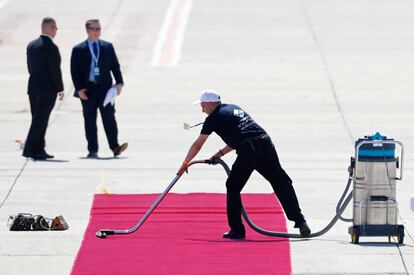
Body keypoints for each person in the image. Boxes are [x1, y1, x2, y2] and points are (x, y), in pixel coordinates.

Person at [177, 90, 311, 239]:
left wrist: (185, 162)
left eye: (202, 106)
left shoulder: (213, 119)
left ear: (209, 103)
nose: (202, 110)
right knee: (280, 181)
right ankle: (300, 222)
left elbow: (198, 145)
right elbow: (241, 135)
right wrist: (220, 154)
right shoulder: (233, 108)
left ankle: (237, 230)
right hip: (265, 143)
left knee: (233, 186)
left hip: (249, 149)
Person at [70, 19, 127, 158]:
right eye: (94, 29)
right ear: (87, 31)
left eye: (98, 29)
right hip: (87, 90)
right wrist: (79, 89)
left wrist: (119, 82)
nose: (96, 32)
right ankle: (92, 149)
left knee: (109, 118)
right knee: (89, 120)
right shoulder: (78, 49)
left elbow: (115, 66)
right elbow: (74, 71)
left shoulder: (107, 47)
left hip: (105, 89)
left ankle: (115, 147)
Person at [23, 17, 64, 160]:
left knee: (38, 119)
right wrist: (60, 88)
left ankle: (39, 149)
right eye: (55, 28)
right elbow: (55, 70)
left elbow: (30, 67)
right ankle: (29, 149)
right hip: (47, 90)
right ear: (51, 28)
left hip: (33, 87)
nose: (56, 31)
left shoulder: (31, 45)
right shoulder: (51, 47)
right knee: (40, 121)